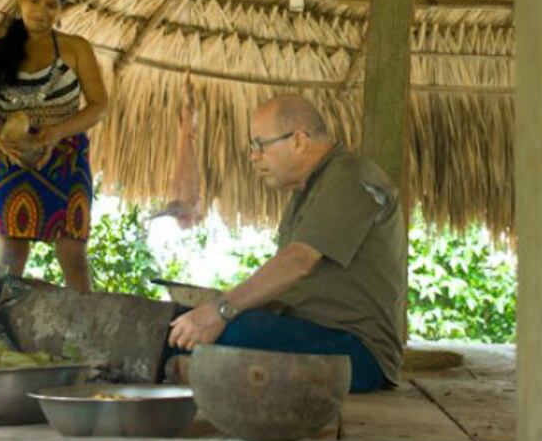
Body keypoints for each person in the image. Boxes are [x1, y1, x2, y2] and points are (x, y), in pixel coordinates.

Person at [166, 95, 406, 392]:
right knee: (182, 324)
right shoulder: (309, 190)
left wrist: (221, 309)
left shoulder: (351, 176)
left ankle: (191, 369)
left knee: (229, 332)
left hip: (358, 353)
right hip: (309, 332)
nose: (253, 156)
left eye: (260, 145)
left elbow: (298, 261)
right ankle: (188, 366)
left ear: (298, 141)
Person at [0, 0, 108, 292]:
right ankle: (3, 327)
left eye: (51, 4)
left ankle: (84, 330)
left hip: (65, 159)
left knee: (73, 252)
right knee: (10, 254)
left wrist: (56, 134)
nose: (41, 11)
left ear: (61, 9)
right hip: (9, 155)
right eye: (34, 0)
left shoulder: (76, 48)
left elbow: (99, 105)